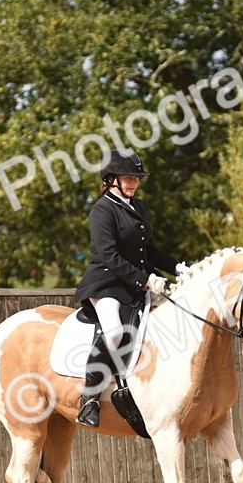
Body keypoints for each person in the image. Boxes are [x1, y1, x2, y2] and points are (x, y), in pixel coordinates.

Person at [71, 149, 187, 428]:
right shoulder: (101, 210)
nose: (134, 182)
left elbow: (149, 250)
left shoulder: (138, 206)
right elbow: (110, 256)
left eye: (136, 177)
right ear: (111, 180)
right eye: (128, 177)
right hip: (107, 284)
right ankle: (89, 399)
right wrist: (146, 280)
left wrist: (179, 267)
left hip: (134, 283)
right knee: (113, 333)